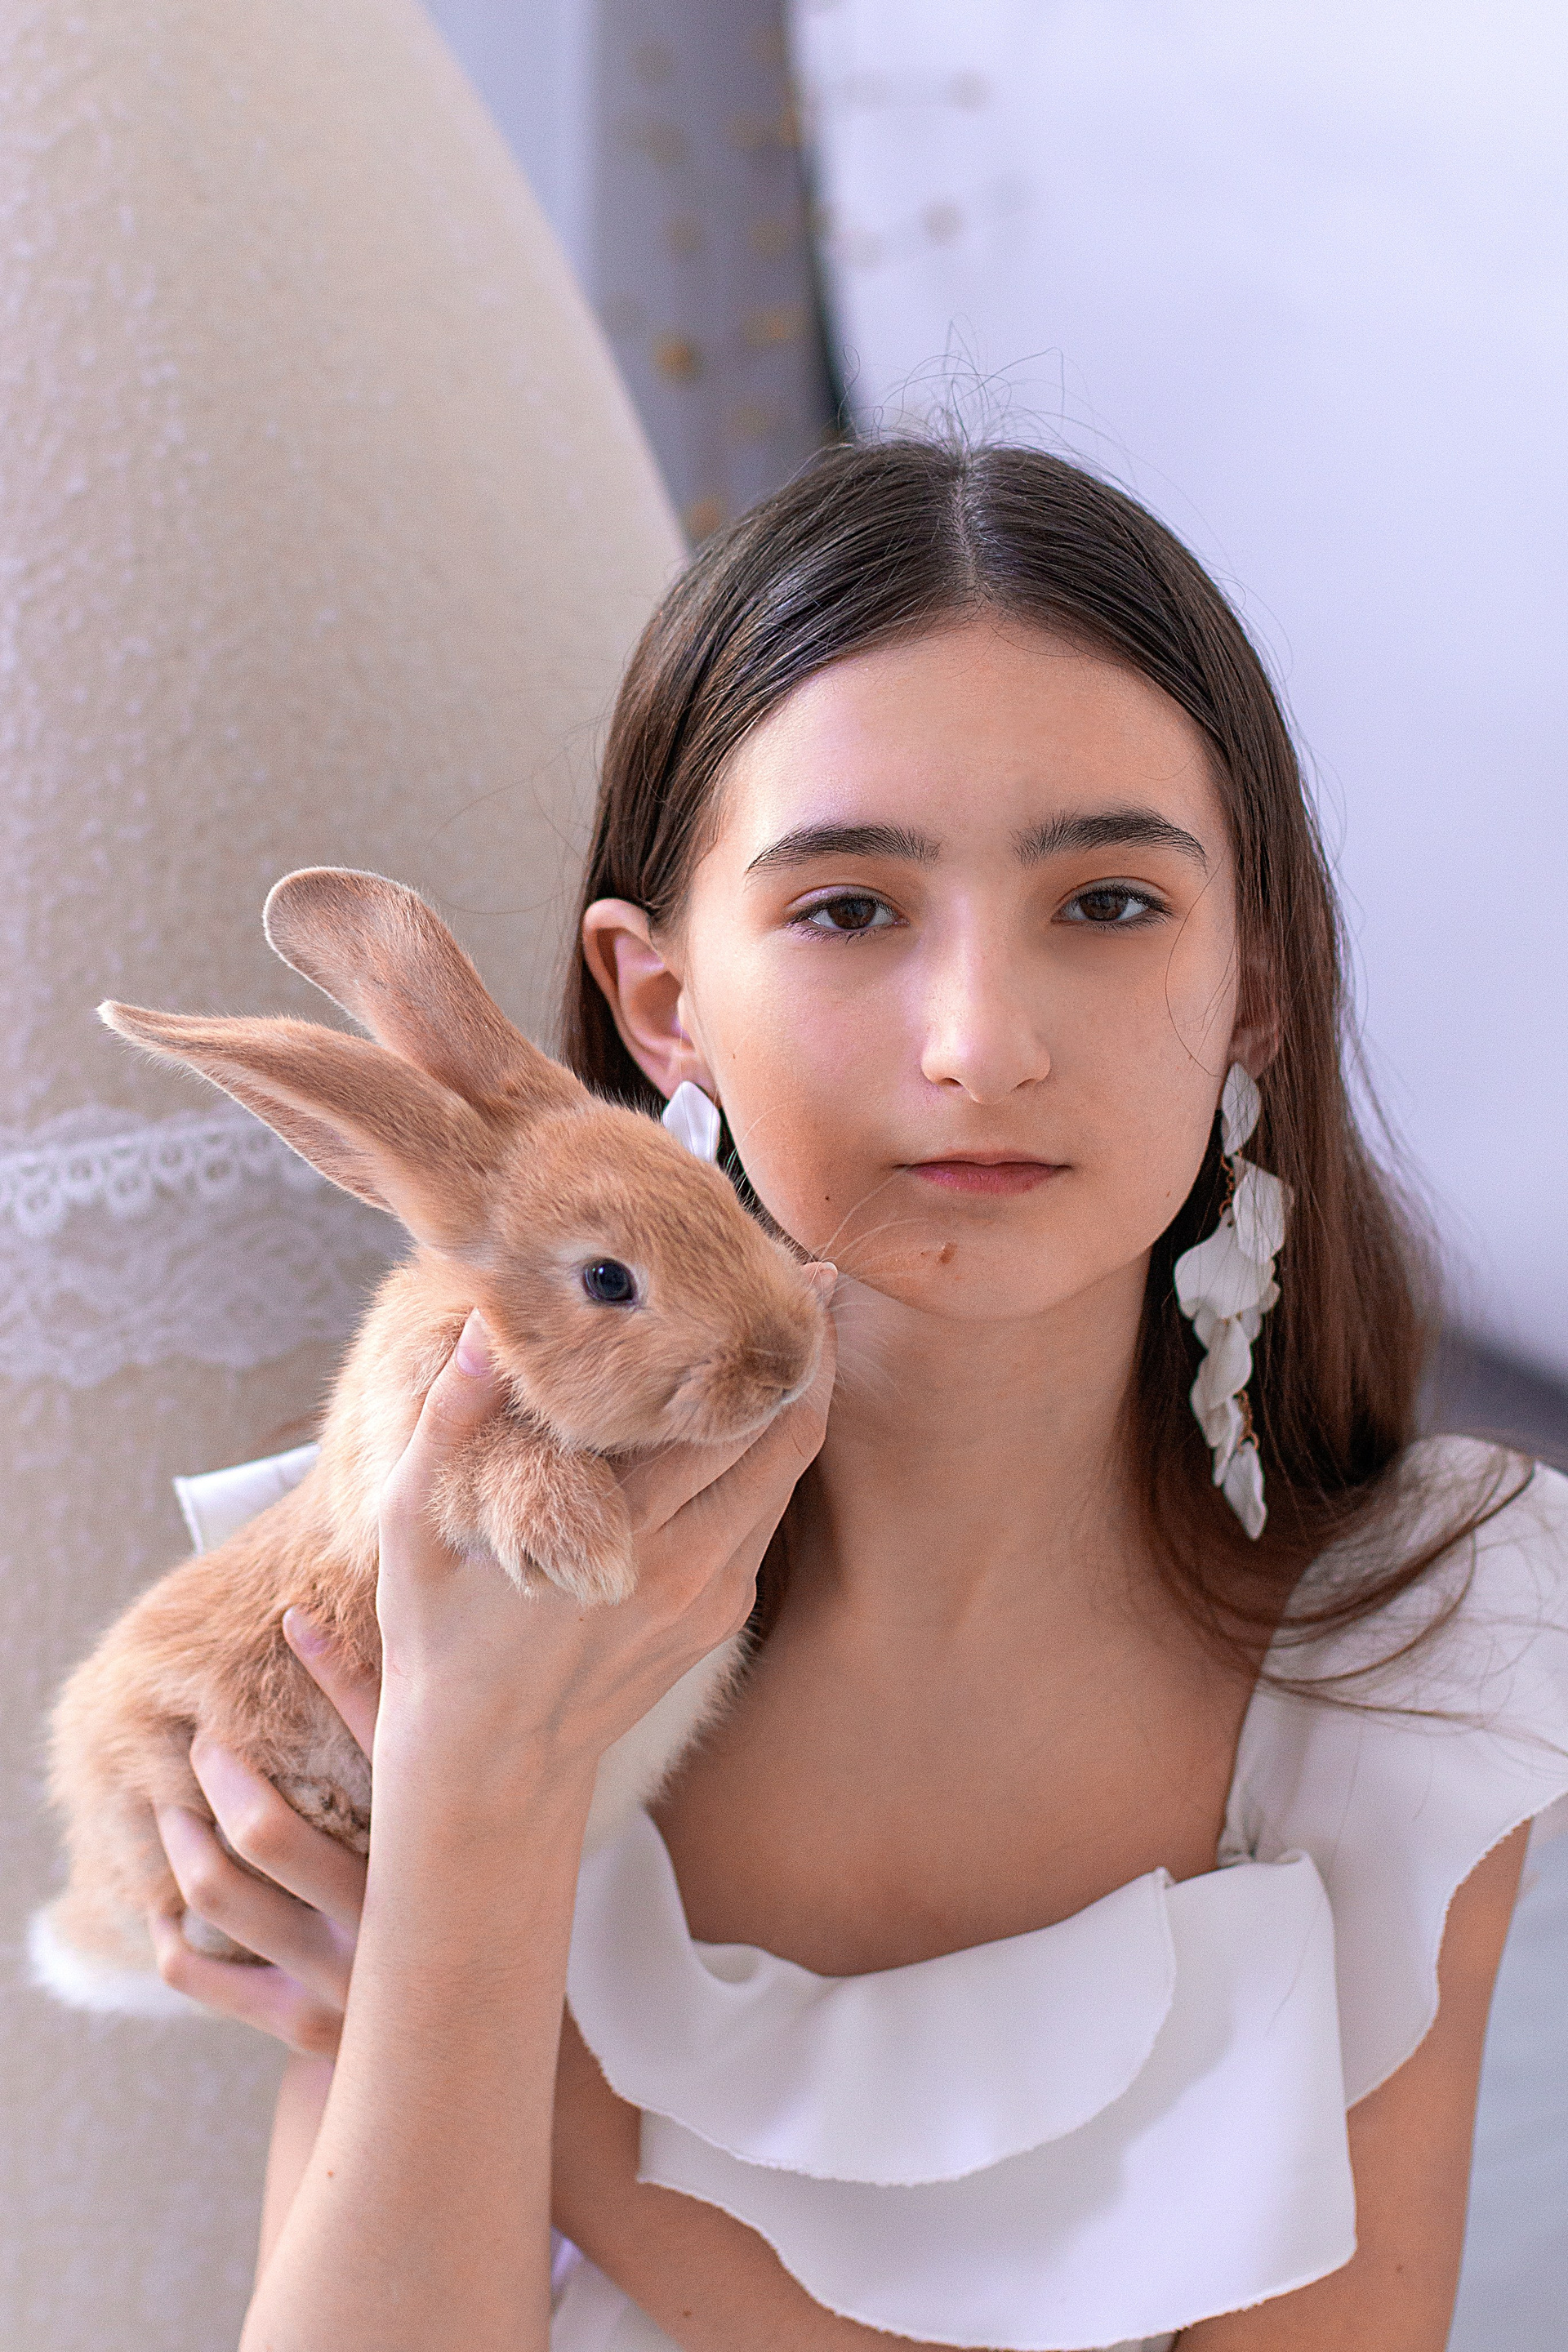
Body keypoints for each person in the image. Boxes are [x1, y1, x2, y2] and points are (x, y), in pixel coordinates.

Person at [148, 442, 1568, 2352]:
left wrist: (518, 2044)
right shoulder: (441, 1587)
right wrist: (469, 1803)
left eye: (1109, 902)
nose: (981, 1044)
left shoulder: (1414, 1657)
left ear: (1257, 982)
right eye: (846, 911)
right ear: (662, 1005)